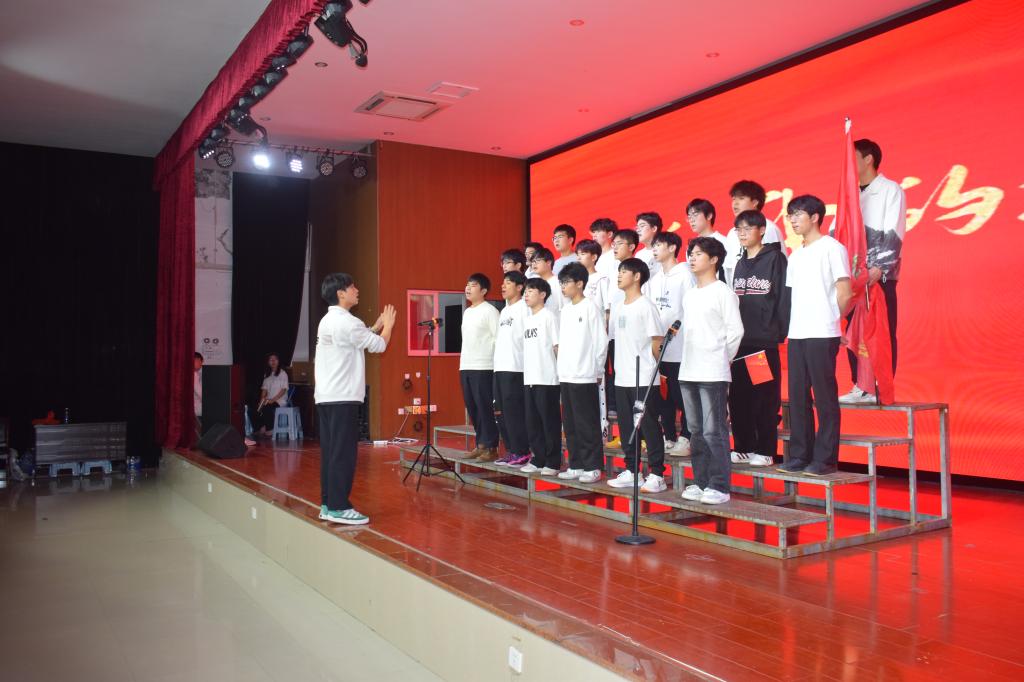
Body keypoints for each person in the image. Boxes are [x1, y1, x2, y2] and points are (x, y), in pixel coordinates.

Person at [779, 195, 852, 476]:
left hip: (822, 332)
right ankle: (800, 455)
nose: (793, 220)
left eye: (798, 214)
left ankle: (825, 458)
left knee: (824, 396)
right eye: (790, 215)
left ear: (815, 217)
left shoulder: (832, 248)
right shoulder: (795, 255)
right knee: (798, 397)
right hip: (798, 333)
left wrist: (833, 322)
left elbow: (844, 292)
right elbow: (792, 297)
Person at [315, 273, 396, 525]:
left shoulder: (328, 320)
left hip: (327, 397)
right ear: (341, 293)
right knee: (343, 455)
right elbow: (378, 345)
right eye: (352, 287)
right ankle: (339, 507)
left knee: (331, 453)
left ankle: (328, 504)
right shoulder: (349, 322)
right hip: (343, 397)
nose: (356, 290)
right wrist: (388, 326)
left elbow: (355, 340)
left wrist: (375, 326)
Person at [840, 138, 907, 404]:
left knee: (880, 331)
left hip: (878, 276)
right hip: (852, 277)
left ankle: (879, 386)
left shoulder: (890, 190)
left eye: (853, 158)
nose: (848, 164)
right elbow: (837, 232)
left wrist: (879, 267)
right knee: (853, 331)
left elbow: (894, 230)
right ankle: (860, 385)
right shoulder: (849, 194)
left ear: (868, 159)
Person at [679, 237, 744, 505]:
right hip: (688, 370)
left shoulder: (723, 292)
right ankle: (701, 481)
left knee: (713, 431)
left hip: (713, 372)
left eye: (698, 254)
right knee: (695, 431)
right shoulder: (690, 294)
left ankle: (719, 485)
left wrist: (721, 359)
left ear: (714, 259)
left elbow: (736, 331)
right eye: (691, 254)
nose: (692, 258)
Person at [729, 210, 790, 467]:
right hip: (739, 342)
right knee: (738, 398)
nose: (742, 234)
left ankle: (765, 450)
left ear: (762, 230)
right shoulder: (740, 263)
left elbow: (784, 297)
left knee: (764, 398)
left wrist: (778, 331)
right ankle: (743, 446)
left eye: (747, 228)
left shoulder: (775, 259)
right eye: (739, 229)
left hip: (761, 342)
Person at [608, 258, 668, 493]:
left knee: (649, 425)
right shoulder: (618, 306)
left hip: (643, 376)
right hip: (622, 376)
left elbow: (657, 341)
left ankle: (657, 474)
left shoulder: (646, 306)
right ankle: (632, 471)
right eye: (619, 271)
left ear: (637, 277)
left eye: (624, 271)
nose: (619, 275)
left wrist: (655, 370)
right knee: (626, 427)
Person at [555, 263, 608, 483]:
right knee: (570, 424)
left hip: (585, 374)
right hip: (566, 374)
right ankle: (576, 464)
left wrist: (598, 369)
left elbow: (600, 341)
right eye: (561, 283)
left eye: (566, 282)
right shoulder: (565, 310)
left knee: (587, 423)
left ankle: (593, 466)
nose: (563, 287)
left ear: (579, 283)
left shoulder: (590, 307)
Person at [647, 231, 693, 456]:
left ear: (673, 248)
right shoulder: (654, 279)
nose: (654, 249)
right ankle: (669, 436)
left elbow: (690, 310)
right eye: (653, 246)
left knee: (681, 395)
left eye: (659, 245)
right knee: (663, 394)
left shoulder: (685, 275)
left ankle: (687, 437)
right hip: (659, 349)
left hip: (680, 347)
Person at [520, 278, 562, 476]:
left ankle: (553, 462)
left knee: (549, 421)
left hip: (547, 378)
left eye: (531, 290)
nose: (526, 294)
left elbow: (557, 346)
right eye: (525, 291)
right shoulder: (528, 320)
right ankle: (538, 459)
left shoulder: (549, 317)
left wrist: (560, 373)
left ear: (543, 294)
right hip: (530, 377)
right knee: (532, 422)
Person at [492, 271, 532, 468]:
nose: (503, 286)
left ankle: (522, 451)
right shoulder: (504, 310)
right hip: (500, 367)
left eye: (508, 283)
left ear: (519, 287)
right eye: (503, 282)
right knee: (501, 411)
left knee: (514, 410)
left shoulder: (524, 308)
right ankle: (511, 450)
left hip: (516, 367)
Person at [460, 273, 501, 462]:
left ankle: (491, 447)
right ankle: (481, 444)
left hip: (484, 366)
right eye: (467, 284)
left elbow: (498, 339)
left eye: (473, 285)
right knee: (473, 407)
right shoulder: (467, 312)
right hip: (466, 365)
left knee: (484, 407)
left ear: (483, 291)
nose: (468, 288)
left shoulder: (490, 311)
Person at [605, 229, 640, 443]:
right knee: (618, 375)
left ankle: (640, 435)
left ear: (632, 246)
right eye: (614, 243)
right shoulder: (613, 269)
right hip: (615, 331)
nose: (615, 247)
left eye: (620, 243)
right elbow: (609, 304)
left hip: (633, 336)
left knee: (635, 384)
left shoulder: (638, 270)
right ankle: (625, 434)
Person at [724, 180, 787, 284]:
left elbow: (777, 268)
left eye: (741, 198)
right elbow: (729, 269)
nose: (735, 203)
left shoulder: (768, 228)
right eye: (734, 199)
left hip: (764, 290)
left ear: (754, 203)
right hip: (739, 291)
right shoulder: (732, 233)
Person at [252, 353, 290, 437]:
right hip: (268, 400)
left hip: (279, 400)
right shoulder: (267, 375)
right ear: (268, 362)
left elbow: (284, 390)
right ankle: (262, 427)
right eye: (271, 359)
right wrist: (261, 401)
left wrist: (272, 400)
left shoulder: (283, 374)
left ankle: (270, 429)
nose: (273, 361)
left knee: (267, 407)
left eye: (275, 359)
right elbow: (264, 390)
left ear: (278, 361)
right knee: (255, 408)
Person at [575, 238, 609, 318]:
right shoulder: (575, 280)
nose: (578, 258)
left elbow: (607, 308)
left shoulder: (602, 279)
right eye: (577, 254)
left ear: (594, 257)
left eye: (582, 254)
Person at [530, 247, 563, 314]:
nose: (534, 264)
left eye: (538, 260)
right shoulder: (534, 284)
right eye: (533, 261)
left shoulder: (558, 283)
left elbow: (563, 307)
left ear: (548, 263)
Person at [590, 218, 619, 286]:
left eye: (598, 231)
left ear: (609, 234)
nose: (594, 235)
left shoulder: (616, 255)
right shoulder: (593, 257)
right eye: (593, 232)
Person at [634, 212, 663, 280]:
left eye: (642, 226)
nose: (638, 230)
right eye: (637, 227)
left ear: (654, 228)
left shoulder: (664, 250)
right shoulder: (638, 255)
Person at [193, 352, 203, 442]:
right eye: (199, 361)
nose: (201, 364)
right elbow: (200, 393)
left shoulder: (196, 374)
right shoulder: (194, 375)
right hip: (197, 410)